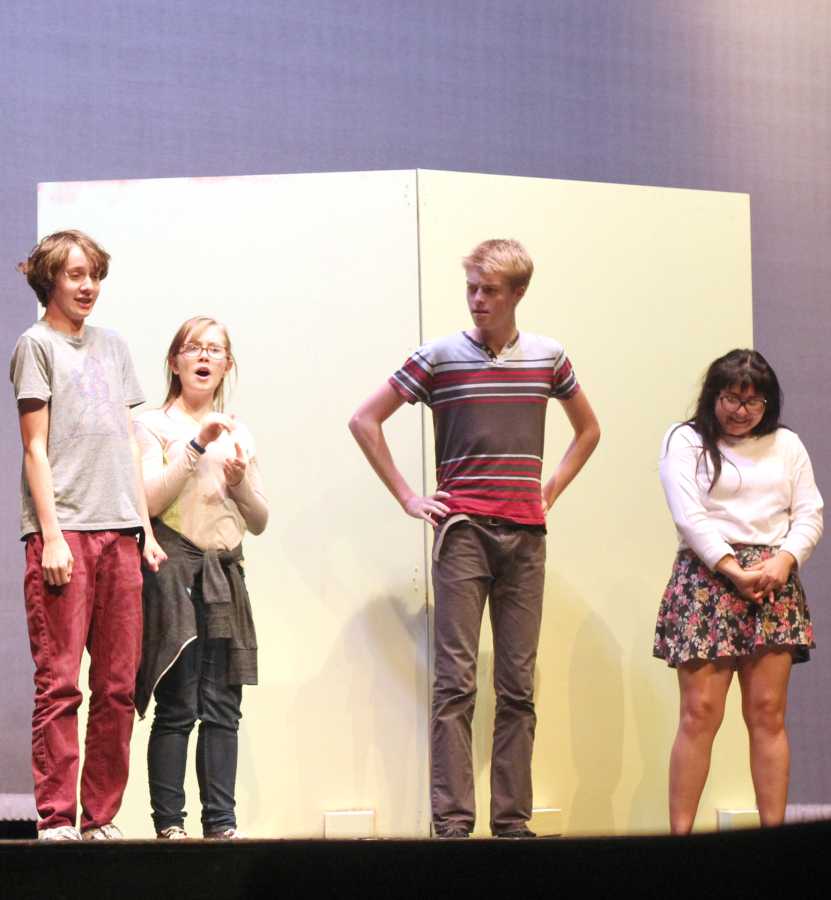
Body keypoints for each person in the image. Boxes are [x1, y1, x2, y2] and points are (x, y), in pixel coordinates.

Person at [349, 239, 600, 838]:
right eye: (471, 288)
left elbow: (589, 430)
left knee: (517, 688)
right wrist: (411, 497)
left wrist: (551, 490)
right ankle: (453, 829)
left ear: (518, 294)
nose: (477, 300)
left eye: (489, 290)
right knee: (455, 685)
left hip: (526, 539)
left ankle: (512, 825)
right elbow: (365, 419)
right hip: (462, 534)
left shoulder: (548, 357)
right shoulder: (438, 357)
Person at [10, 230, 166, 841]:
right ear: (50, 279)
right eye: (76, 274)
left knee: (118, 687)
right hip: (66, 532)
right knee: (60, 683)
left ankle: (100, 816)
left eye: (94, 274)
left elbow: (128, 441)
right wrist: (49, 536)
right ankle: (56, 818)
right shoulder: (36, 345)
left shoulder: (114, 346)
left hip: (119, 534)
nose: (88, 286)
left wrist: (143, 529)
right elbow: (34, 448)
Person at [654, 348, 823, 833]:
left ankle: (775, 841)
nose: (742, 410)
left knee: (768, 713)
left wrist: (784, 560)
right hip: (708, 579)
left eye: (755, 402)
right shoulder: (684, 440)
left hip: (773, 580)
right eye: (732, 398)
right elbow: (688, 513)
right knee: (699, 713)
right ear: (714, 396)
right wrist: (732, 568)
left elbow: (809, 511)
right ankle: (679, 839)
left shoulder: (787, 445)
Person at [134, 316, 268, 840]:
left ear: (226, 365)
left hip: (224, 572)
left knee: (223, 706)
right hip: (175, 569)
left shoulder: (240, 431)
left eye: (214, 350)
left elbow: (258, 519)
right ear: (175, 362)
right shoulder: (151, 425)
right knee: (179, 701)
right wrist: (193, 447)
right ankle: (170, 826)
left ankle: (222, 824)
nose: (203, 356)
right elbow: (147, 500)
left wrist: (238, 485)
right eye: (193, 348)